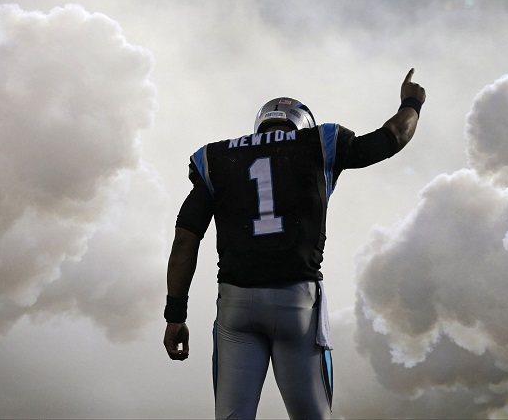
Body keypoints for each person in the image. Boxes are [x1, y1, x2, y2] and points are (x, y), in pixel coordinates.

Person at [163, 69, 426, 419]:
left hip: (236, 306)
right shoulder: (320, 142)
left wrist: (175, 316)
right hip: (297, 303)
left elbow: (184, 243)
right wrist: (412, 101)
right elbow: (393, 137)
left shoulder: (214, 158)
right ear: (300, 123)